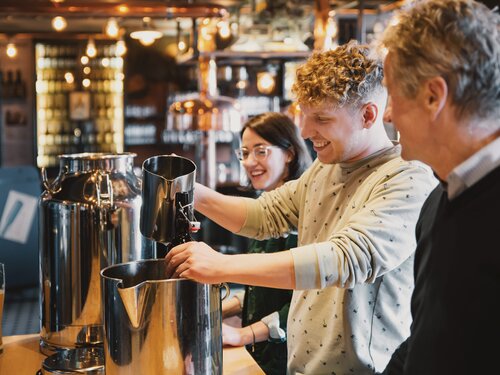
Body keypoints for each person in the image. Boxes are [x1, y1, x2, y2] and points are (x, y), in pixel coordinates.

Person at [166, 41, 437, 374]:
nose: (306, 132)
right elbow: (263, 215)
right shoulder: (326, 168)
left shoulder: (408, 177)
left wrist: (221, 266)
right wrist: (190, 191)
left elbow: (346, 259)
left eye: (321, 118)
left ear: (368, 115)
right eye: (304, 117)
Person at [379, 1, 500, 374]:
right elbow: (426, 335)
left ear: (433, 96)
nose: (387, 114)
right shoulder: (438, 201)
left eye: (391, 93)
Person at [222, 112, 312, 375]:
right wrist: (217, 309)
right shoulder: (263, 211)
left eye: (261, 151)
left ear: (290, 153)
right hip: (262, 355)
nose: (250, 162)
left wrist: (243, 335)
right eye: (245, 153)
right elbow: (262, 285)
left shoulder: (303, 213)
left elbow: (304, 301)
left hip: (289, 358)